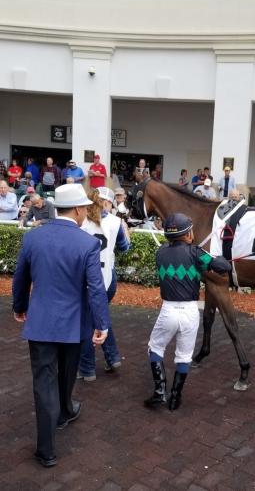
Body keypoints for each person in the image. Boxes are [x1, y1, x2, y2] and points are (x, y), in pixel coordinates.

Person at [12, 183, 110, 468]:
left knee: (44, 383)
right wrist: (101, 323)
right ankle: (65, 410)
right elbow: (95, 288)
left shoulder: (34, 238)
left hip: (41, 322)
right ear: (79, 209)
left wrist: (20, 307)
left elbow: (21, 278)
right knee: (67, 374)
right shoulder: (87, 243)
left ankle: (46, 449)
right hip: (74, 324)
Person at [144, 213, 231, 411]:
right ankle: (175, 397)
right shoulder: (196, 253)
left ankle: (159, 391)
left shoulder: (160, 252)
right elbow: (223, 267)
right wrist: (216, 258)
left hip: (168, 310)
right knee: (183, 356)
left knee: (155, 348)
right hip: (190, 311)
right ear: (187, 233)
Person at [78, 187, 130, 381]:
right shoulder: (116, 222)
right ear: (107, 203)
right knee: (98, 317)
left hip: (86, 280)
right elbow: (125, 248)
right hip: (108, 280)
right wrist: (125, 231)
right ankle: (112, 356)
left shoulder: (81, 220)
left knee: (87, 323)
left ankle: (87, 368)